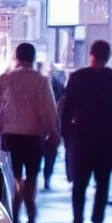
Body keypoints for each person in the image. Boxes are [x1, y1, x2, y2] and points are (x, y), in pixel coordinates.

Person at [0, 42, 60, 223]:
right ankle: (29, 206)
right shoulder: (41, 81)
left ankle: (16, 208)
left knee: (16, 174)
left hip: (11, 135)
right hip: (34, 135)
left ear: (16, 57)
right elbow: (49, 109)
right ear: (33, 58)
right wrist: (53, 132)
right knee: (32, 174)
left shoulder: (5, 79)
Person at [60, 38, 112, 223]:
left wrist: (66, 134)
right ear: (108, 57)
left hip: (82, 138)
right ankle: (97, 222)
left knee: (80, 183)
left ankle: (78, 221)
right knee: (103, 183)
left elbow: (66, 110)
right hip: (107, 138)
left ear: (91, 55)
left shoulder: (78, 78)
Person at [42, 64, 66, 192]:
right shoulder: (61, 89)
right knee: (50, 155)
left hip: (39, 128)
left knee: (43, 155)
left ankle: (36, 178)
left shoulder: (42, 85)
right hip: (53, 126)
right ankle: (47, 177)